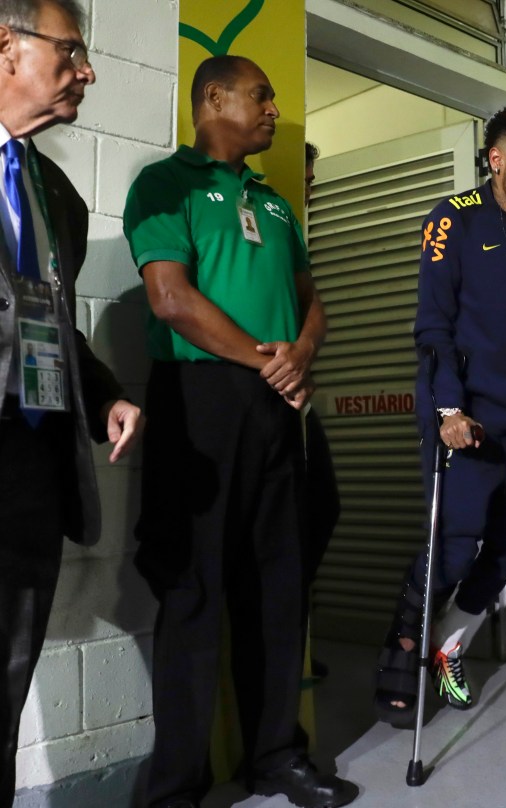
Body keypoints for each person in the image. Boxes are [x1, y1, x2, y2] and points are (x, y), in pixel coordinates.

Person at [123, 56, 357, 808]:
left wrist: (303, 351)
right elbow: (170, 298)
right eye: (260, 95)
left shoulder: (278, 203)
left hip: (277, 404)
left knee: (278, 587)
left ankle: (276, 757)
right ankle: (177, 787)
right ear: (212, 99)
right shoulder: (166, 183)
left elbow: (309, 298)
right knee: (193, 592)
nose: (273, 109)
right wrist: (266, 360)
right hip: (203, 397)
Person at [373, 104, 506, 724]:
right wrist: (448, 406)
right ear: (497, 160)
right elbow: (433, 325)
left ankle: (447, 646)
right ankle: (401, 657)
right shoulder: (453, 219)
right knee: (452, 547)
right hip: (463, 414)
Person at [0, 1, 143, 803]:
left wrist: (108, 395)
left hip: (30, 470)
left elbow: (49, 323)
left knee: (7, 679)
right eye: (72, 51)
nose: (86, 72)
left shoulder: (56, 192)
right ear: (7, 48)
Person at [302, 140, 340, 679]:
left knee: (321, 507)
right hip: (263, 390)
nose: (311, 185)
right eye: (307, 174)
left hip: (298, 395)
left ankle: (296, 636)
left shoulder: (293, 228)